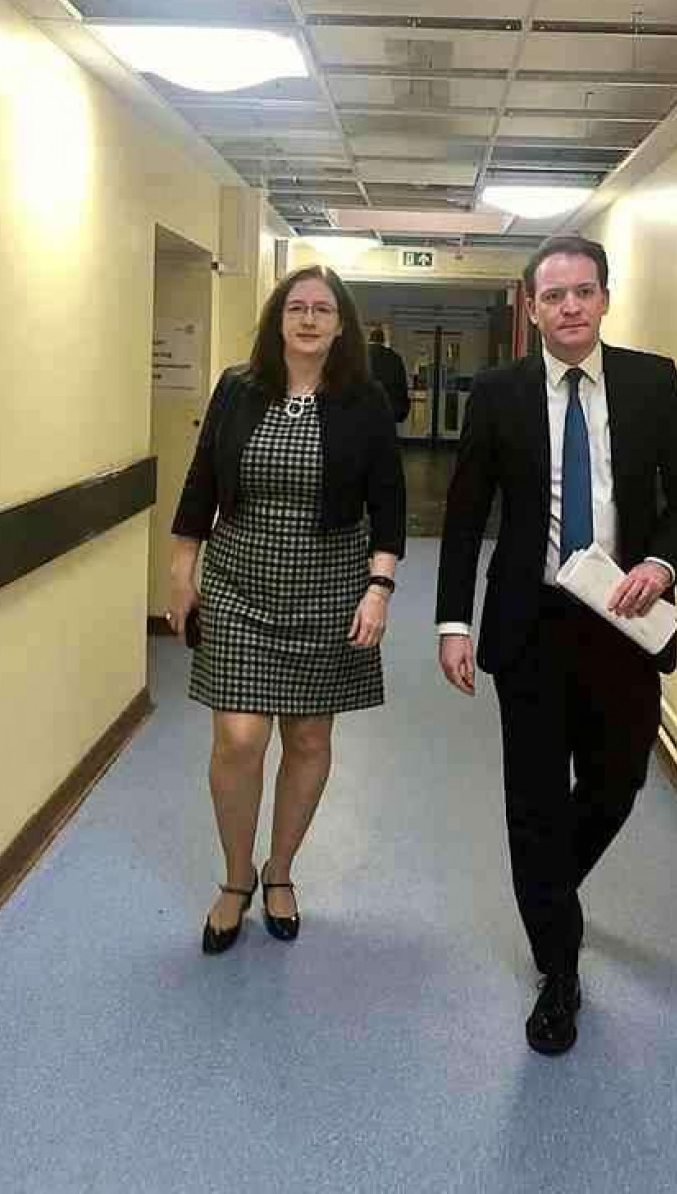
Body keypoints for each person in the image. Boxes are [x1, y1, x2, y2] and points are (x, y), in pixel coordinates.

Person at [436, 235, 677, 1055]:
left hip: (623, 623)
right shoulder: (498, 393)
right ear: (530, 306)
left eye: (582, 292)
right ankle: (558, 973)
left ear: (603, 297)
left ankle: (550, 889)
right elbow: (462, 513)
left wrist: (660, 563)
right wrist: (453, 621)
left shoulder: (650, 381)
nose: (568, 307)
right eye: (552, 295)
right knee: (531, 802)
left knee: (618, 781)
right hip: (529, 625)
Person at [168, 265, 406, 955]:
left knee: (306, 739)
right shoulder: (238, 390)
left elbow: (388, 505)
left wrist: (378, 589)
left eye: (321, 309)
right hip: (240, 581)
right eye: (296, 307)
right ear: (278, 319)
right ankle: (236, 877)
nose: (307, 319)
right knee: (238, 739)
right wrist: (182, 568)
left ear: (340, 325)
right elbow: (201, 480)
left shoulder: (362, 401)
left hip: (329, 585)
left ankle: (281, 872)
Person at [367, 326, 410, 424]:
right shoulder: (395, 358)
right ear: (383, 340)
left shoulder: (361, 356)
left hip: (365, 408)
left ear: (370, 338)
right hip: (388, 408)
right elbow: (401, 385)